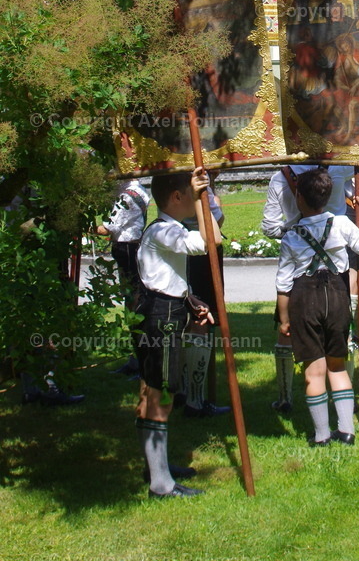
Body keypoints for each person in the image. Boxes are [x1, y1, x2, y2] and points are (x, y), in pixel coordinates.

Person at [133, 166, 221, 499]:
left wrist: (191, 301)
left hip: (163, 311)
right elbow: (210, 241)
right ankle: (160, 483)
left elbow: (168, 280)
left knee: (152, 391)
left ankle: (156, 468)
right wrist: (204, 199)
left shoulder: (164, 228)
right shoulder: (163, 231)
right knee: (160, 396)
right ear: (177, 196)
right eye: (191, 193)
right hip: (162, 318)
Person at [275, 168, 359, 446]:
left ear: (299, 197)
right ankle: (346, 430)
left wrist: (283, 319)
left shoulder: (291, 235)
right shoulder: (342, 224)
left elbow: (283, 283)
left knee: (314, 369)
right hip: (337, 296)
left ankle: (321, 434)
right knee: (337, 366)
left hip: (304, 299)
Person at [262, 163, 353, 412]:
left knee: (287, 332)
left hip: (298, 272)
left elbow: (269, 227)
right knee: (342, 332)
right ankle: (345, 397)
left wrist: (296, 232)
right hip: (335, 268)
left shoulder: (280, 178)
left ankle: (285, 398)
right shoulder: (338, 169)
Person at [180, 173, 230, 418]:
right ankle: (195, 400)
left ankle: (183, 389)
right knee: (200, 318)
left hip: (183, 247)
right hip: (198, 252)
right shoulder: (195, 180)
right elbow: (215, 223)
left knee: (185, 319)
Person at [96, 178, 150, 376]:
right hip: (130, 246)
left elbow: (109, 228)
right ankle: (136, 359)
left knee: (133, 303)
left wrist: (79, 225)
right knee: (132, 302)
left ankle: (141, 361)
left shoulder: (128, 196)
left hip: (128, 248)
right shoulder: (137, 190)